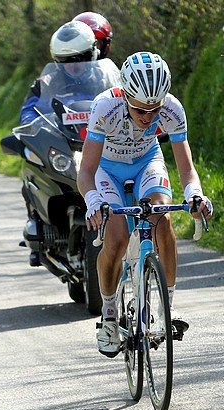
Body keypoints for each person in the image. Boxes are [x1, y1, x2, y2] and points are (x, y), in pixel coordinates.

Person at [78, 52, 213, 357]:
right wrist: (93, 199)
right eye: (139, 109)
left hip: (146, 162)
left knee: (162, 220)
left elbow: (187, 169)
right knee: (116, 239)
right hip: (107, 170)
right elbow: (86, 171)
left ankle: (167, 309)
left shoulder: (173, 109)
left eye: (155, 110)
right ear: (126, 95)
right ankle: (109, 315)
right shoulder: (105, 107)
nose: (147, 118)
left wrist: (195, 194)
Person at [20, 20, 99, 124]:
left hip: (103, 133)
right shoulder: (46, 84)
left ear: (91, 55)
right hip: (60, 134)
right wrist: (35, 124)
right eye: (64, 60)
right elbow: (29, 111)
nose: (71, 65)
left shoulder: (105, 79)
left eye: (77, 59)